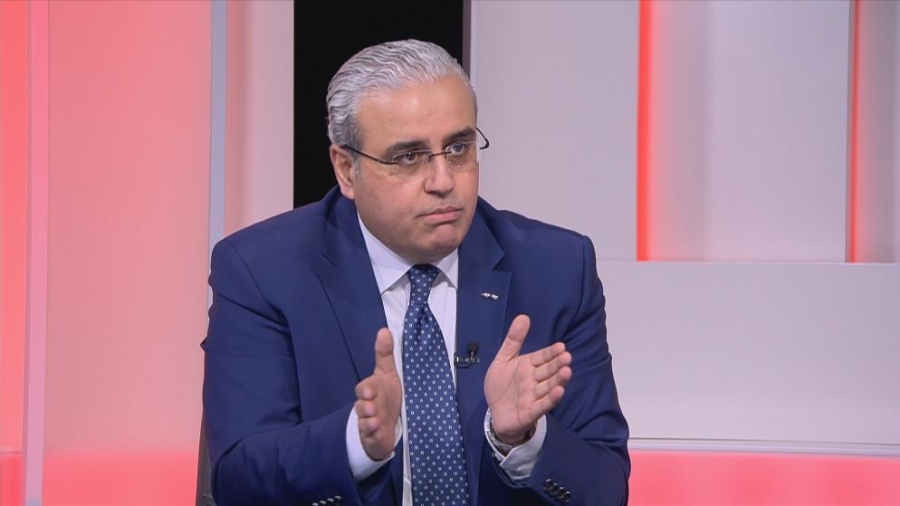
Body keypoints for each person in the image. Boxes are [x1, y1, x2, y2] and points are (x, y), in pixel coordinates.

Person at [201, 39, 629, 506]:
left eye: (458, 148)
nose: (443, 181)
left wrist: (522, 439)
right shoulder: (263, 271)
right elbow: (239, 480)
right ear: (345, 169)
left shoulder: (556, 269)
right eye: (409, 157)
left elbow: (606, 489)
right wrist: (356, 443)